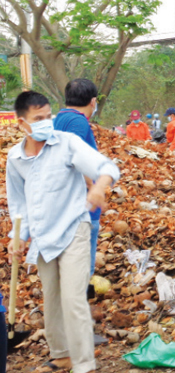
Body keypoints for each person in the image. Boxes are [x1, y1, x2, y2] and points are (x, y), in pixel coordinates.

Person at [6, 91, 120, 373]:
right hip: (44, 235)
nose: (46, 124)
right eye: (38, 119)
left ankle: (84, 367)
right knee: (52, 298)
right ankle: (60, 355)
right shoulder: (15, 159)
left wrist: (99, 188)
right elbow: (19, 205)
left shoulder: (66, 143)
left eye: (48, 117)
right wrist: (18, 236)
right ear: (21, 124)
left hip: (74, 228)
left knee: (72, 299)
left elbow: (107, 166)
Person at [53, 78, 102, 276]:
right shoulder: (78, 122)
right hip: (81, 205)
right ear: (93, 101)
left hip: (63, 202)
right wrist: (92, 187)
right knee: (82, 265)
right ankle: (78, 304)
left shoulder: (60, 118)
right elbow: (75, 157)